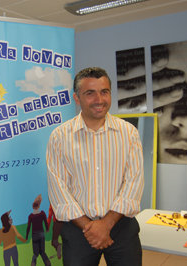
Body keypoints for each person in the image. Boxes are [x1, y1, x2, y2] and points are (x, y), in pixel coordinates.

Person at [46, 67, 144, 266]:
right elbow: (59, 190)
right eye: (90, 93)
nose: (99, 99)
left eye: (104, 91)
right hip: (78, 229)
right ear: (76, 98)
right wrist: (91, 227)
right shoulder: (60, 137)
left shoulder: (129, 133)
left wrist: (105, 225)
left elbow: (133, 183)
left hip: (122, 227)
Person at [25, 195, 51, 266]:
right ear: (39, 206)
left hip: (34, 235)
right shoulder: (42, 213)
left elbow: (28, 227)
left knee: (35, 253)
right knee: (43, 252)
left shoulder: (30, 216)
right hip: (41, 234)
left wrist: (27, 236)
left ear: (33, 207)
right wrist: (47, 229)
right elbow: (45, 222)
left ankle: (33, 264)